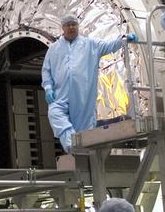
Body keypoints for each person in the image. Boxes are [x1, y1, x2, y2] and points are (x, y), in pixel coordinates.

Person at [41, 14, 136, 153]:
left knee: (84, 131)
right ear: (63, 28)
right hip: (60, 96)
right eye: (68, 25)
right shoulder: (54, 49)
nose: (71, 27)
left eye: (74, 24)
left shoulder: (91, 45)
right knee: (55, 114)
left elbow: (109, 46)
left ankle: (83, 155)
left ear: (78, 26)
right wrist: (48, 87)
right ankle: (71, 146)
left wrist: (124, 40)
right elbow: (46, 70)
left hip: (83, 98)